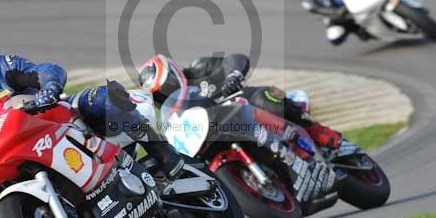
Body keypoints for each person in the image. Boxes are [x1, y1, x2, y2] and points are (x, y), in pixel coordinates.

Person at [0, 28, 183, 178]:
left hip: (58, 118)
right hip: (24, 152)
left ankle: (167, 157)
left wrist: (48, 89)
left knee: (102, 99)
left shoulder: (1, 67)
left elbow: (47, 70)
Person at [137, 53, 342, 151]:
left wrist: (233, 76)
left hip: (246, 107)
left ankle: (319, 132)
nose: (167, 93)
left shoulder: (200, 68)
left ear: (174, 73)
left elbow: (234, 59)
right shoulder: (172, 116)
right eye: (160, 95)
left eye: (166, 86)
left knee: (265, 95)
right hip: (221, 134)